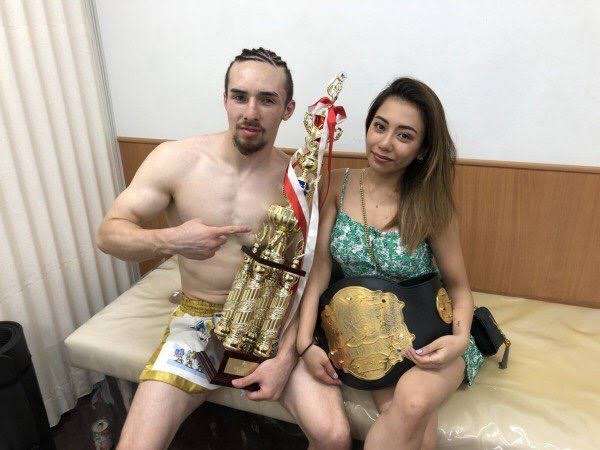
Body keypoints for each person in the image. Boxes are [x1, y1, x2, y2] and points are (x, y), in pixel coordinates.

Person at [97, 48, 351, 450]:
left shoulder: (302, 184)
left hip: (274, 324)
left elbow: (311, 275)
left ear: (288, 110)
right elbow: (109, 234)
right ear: (225, 99)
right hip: (199, 319)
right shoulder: (176, 159)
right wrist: (172, 239)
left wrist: (286, 358)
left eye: (267, 100)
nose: (251, 112)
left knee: (334, 436)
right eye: (240, 96)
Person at [295, 77, 485, 450]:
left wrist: (459, 339)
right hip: (369, 342)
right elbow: (318, 271)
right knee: (419, 433)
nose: (384, 143)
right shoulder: (336, 185)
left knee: (412, 403)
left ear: (422, 149)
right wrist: (304, 344)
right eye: (380, 126)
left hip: (431, 337)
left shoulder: (432, 205)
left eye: (404, 135)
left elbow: (459, 287)